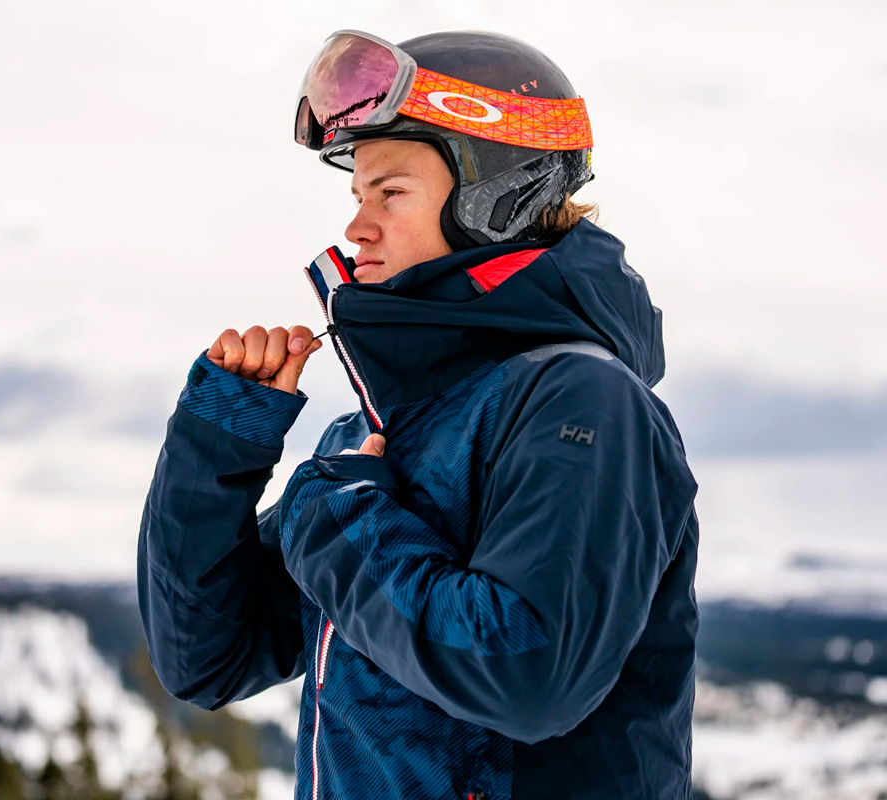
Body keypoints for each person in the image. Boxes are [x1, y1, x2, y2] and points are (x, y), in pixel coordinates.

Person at [138, 29, 699, 800]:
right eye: (358, 197)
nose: (356, 228)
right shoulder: (377, 439)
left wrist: (343, 513)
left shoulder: (583, 403)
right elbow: (207, 657)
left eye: (391, 193)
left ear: (498, 199)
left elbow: (527, 675)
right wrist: (220, 436)